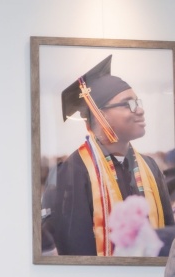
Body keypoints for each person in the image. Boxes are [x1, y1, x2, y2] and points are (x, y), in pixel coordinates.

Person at [50, 55, 174, 256]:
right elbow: (74, 246)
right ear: (100, 115)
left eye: (138, 102)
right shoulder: (74, 170)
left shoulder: (150, 167)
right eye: (128, 104)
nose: (140, 110)